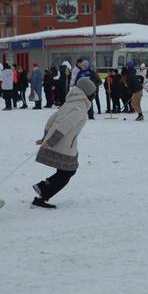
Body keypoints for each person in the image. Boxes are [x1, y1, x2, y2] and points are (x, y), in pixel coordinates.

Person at [32, 76, 95, 208]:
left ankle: (43, 189)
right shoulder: (80, 107)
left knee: (65, 172)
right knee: (67, 172)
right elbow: (65, 124)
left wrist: (46, 137)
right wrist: (50, 141)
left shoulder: (71, 102)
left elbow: (52, 119)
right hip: (63, 143)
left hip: (62, 142)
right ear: (88, 93)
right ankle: (43, 192)